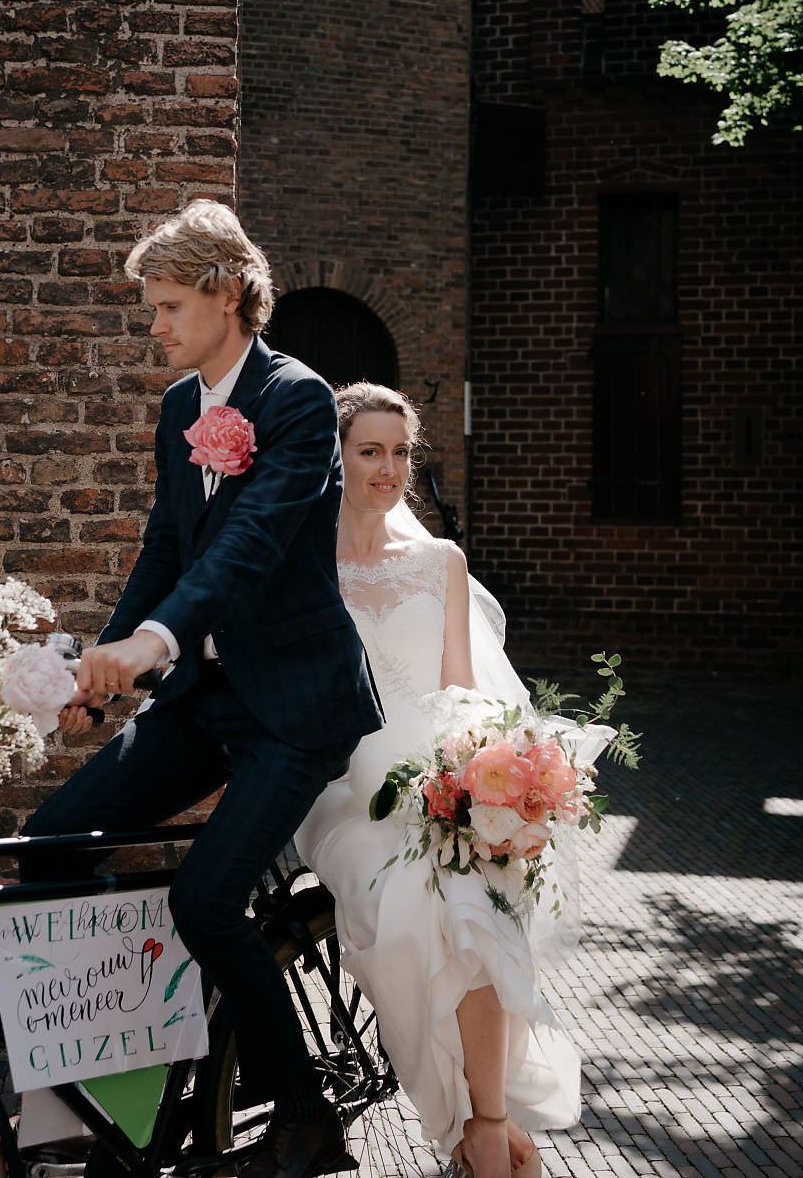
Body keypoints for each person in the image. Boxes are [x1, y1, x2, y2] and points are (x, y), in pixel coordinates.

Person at [25, 200, 385, 1178]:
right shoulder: (180, 408)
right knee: (48, 845)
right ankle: (119, 1088)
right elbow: (167, 546)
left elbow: (251, 542)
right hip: (203, 698)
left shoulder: (299, 399)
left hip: (295, 707)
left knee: (205, 898)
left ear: (228, 294)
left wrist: (152, 638)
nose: (156, 325)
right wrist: (101, 671)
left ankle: (308, 1117)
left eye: (169, 304)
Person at [294, 384, 581, 1178]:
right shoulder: (305, 564)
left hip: (437, 781)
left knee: (471, 890)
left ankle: (484, 1129)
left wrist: (474, 781)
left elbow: (466, 694)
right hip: (345, 793)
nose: (388, 469)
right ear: (337, 457)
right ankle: (468, 1126)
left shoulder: (438, 561)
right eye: (369, 451)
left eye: (400, 452)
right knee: (409, 903)